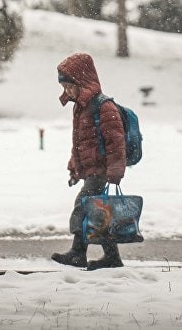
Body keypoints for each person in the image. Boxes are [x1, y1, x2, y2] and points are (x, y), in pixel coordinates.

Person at [50, 52, 127, 270]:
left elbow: (116, 141)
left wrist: (115, 170)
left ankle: (78, 252)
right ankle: (110, 256)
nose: (67, 92)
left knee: (84, 207)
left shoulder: (104, 107)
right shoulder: (81, 107)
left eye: (69, 86)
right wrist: (75, 168)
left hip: (101, 170)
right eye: (64, 87)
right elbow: (81, 143)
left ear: (82, 83)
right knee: (97, 212)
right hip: (92, 169)